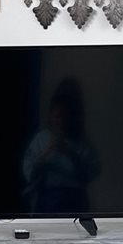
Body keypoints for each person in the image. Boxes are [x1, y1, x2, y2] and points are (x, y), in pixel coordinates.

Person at [22, 78, 101, 214]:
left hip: (75, 200)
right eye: (58, 116)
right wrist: (47, 152)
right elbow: (30, 172)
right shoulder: (41, 139)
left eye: (66, 116)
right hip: (47, 199)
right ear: (51, 115)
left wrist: (69, 153)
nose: (61, 121)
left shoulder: (82, 143)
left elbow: (89, 173)